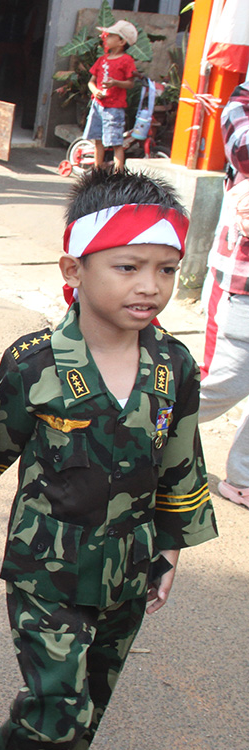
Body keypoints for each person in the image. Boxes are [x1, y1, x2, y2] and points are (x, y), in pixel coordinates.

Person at [0, 167, 218, 750]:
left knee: (85, 702)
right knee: (57, 706)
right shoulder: (36, 361)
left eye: (166, 269)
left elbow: (180, 461)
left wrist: (170, 548)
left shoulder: (172, 365)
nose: (150, 287)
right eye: (128, 267)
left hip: (129, 564)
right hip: (49, 565)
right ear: (74, 270)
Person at [199, 79, 249, 506]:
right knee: (224, 381)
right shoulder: (240, 104)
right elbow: (244, 151)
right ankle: (133, 428)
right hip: (243, 282)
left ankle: (243, 477)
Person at [84, 19, 137, 172]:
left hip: (114, 108)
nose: (106, 37)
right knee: (98, 140)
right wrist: (95, 91)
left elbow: (130, 83)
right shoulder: (102, 60)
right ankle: (97, 172)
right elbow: (91, 82)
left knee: (116, 143)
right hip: (97, 106)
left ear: (122, 41)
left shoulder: (127, 60)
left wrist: (115, 83)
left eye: (111, 35)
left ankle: (117, 175)